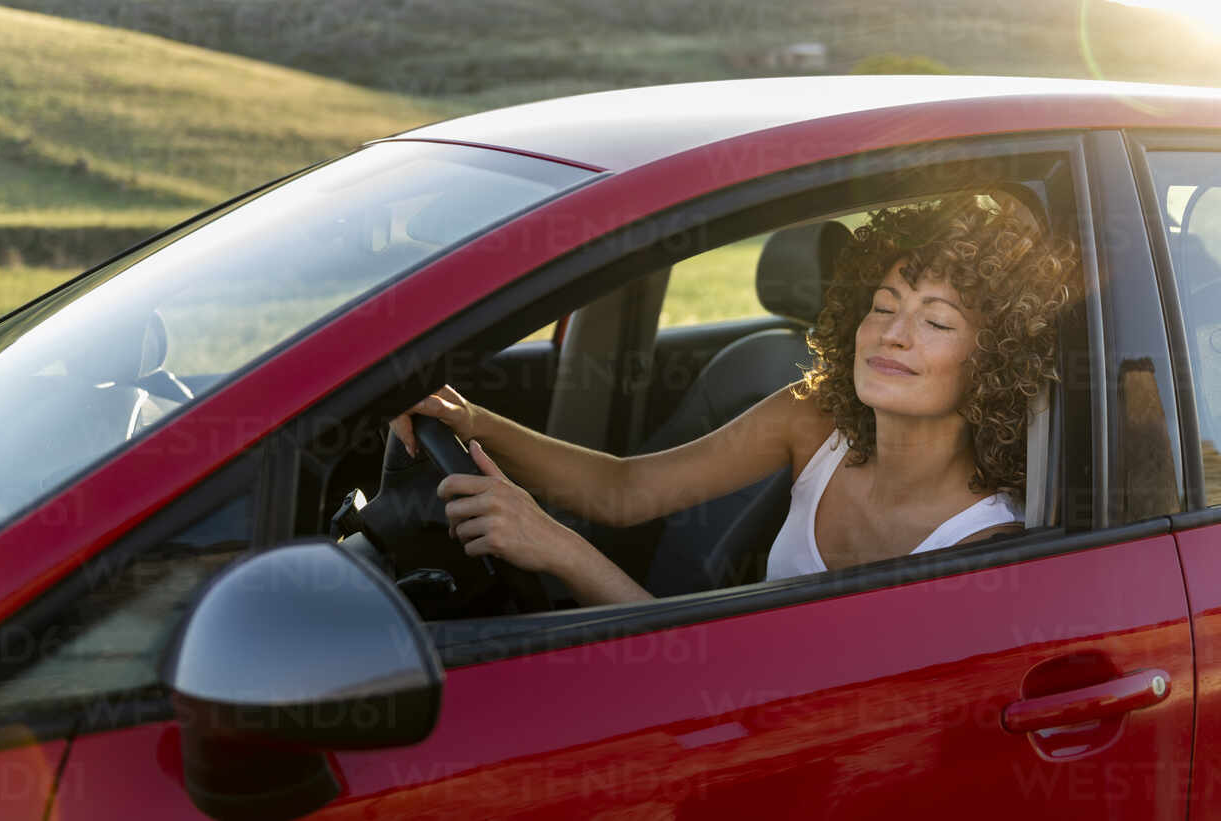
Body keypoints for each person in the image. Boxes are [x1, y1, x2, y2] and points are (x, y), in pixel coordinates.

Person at [390, 195, 1078, 607]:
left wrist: (557, 547)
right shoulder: (813, 419)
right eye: (883, 305)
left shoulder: (986, 546)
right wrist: (473, 420)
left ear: (993, 362)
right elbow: (624, 486)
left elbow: (773, 706)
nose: (892, 335)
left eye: (934, 322)